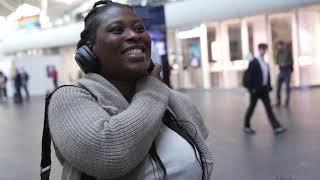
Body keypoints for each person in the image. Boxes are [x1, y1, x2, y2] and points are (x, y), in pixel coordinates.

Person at [46, 1, 213, 180]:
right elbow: (107, 155)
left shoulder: (177, 100)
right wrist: (152, 91)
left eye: (140, 28)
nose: (134, 35)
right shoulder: (69, 97)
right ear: (89, 50)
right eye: (117, 30)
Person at [243, 43, 286, 135]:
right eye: (262, 49)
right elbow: (249, 77)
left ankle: (276, 127)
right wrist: (251, 89)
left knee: (269, 108)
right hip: (255, 91)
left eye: (265, 49)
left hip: (264, 90)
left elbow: (266, 76)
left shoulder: (265, 63)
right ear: (259, 50)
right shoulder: (254, 62)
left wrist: (269, 87)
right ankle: (246, 126)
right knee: (252, 107)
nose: (263, 51)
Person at [275, 41, 293, 107]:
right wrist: (280, 63)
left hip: (287, 72)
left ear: (282, 45)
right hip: (281, 71)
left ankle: (286, 102)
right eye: (278, 46)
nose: (279, 47)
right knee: (278, 87)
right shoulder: (278, 53)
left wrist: (285, 64)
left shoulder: (288, 52)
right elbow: (276, 61)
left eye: (280, 45)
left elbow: (291, 62)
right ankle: (278, 102)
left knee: (287, 88)